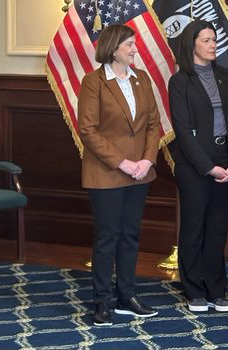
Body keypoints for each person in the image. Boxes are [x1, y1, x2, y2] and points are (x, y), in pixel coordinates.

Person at [77, 24, 161, 326]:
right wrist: (122, 162)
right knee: (107, 237)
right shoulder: (93, 82)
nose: (135, 49)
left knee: (130, 235)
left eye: (135, 43)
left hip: (140, 173)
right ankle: (101, 301)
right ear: (113, 49)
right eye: (129, 45)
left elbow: (153, 124)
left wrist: (147, 160)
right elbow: (87, 129)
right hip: (106, 173)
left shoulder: (142, 80)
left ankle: (126, 296)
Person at [168, 20, 228, 313]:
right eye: (206, 40)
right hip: (195, 166)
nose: (213, 44)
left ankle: (217, 289)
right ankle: (194, 291)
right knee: (194, 227)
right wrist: (208, 168)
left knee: (217, 228)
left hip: (227, 162)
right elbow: (182, 129)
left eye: (214, 39)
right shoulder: (180, 81)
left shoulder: (225, 76)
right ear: (192, 45)